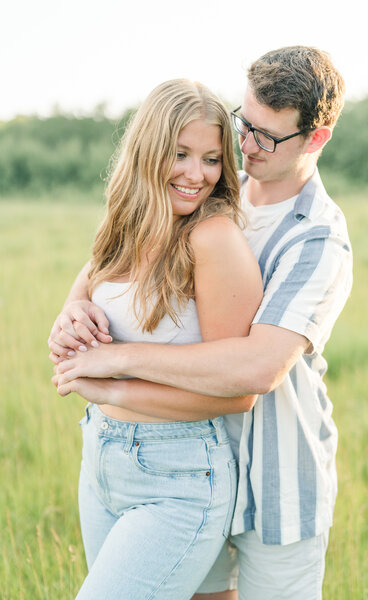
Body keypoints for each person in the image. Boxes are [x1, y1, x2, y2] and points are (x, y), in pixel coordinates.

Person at [50, 46, 353, 600]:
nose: (247, 145)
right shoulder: (213, 186)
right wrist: (74, 309)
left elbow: (256, 369)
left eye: (269, 136)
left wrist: (112, 366)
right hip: (177, 448)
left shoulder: (317, 238)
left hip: (271, 474)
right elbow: (109, 262)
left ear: (316, 138)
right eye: (245, 124)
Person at [50, 78, 264, 600]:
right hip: (101, 458)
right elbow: (78, 307)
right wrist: (71, 316)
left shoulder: (212, 238)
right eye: (181, 154)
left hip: (180, 476)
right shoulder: (122, 229)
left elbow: (237, 391)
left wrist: (114, 389)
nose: (198, 174)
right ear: (148, 151)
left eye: (212, 158)